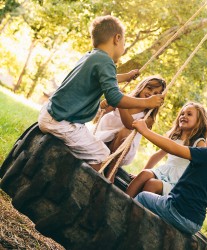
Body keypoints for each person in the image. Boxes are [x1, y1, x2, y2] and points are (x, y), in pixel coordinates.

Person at [38, 15, 164, 172]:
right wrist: (147, 103)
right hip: (61, 122)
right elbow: (115, 98)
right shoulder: (106, 62)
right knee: (102, 155)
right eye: (124, 43)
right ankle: (76, 188)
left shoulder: (92, 56)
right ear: (117, 39)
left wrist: (125, 77)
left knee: (89, 146)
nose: (123, 47)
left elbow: (103, 79)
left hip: (51, 113)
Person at [132, 112, 207, 235]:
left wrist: (145, 131)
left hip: (176, 210)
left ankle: (127, 227)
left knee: (143, 197)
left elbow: (173, 148)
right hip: (195, 223)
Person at [126, 102, 207, 197]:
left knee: (152, 184)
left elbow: (204, 162)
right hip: (164, 172)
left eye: (189, 114)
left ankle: (137, 209)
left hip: (177, 182)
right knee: (144, 174)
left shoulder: (198, 142)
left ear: (199, 121)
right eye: (182, 114)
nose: (183, 116)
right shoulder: (174, 137)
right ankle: (121, 202)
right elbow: (157, 155)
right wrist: (141, 175)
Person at [95, 76, 166, 181]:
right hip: (103, 139)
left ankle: (112, 170)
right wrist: (105, 104)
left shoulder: (147, 117)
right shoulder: (125, 99)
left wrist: (120, 103)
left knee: (125, 132)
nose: (151, 94)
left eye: (156, 94)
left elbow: (129, 124)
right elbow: (98, 115)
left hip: (122, 150)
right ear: (142, 87)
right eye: (149, 88)